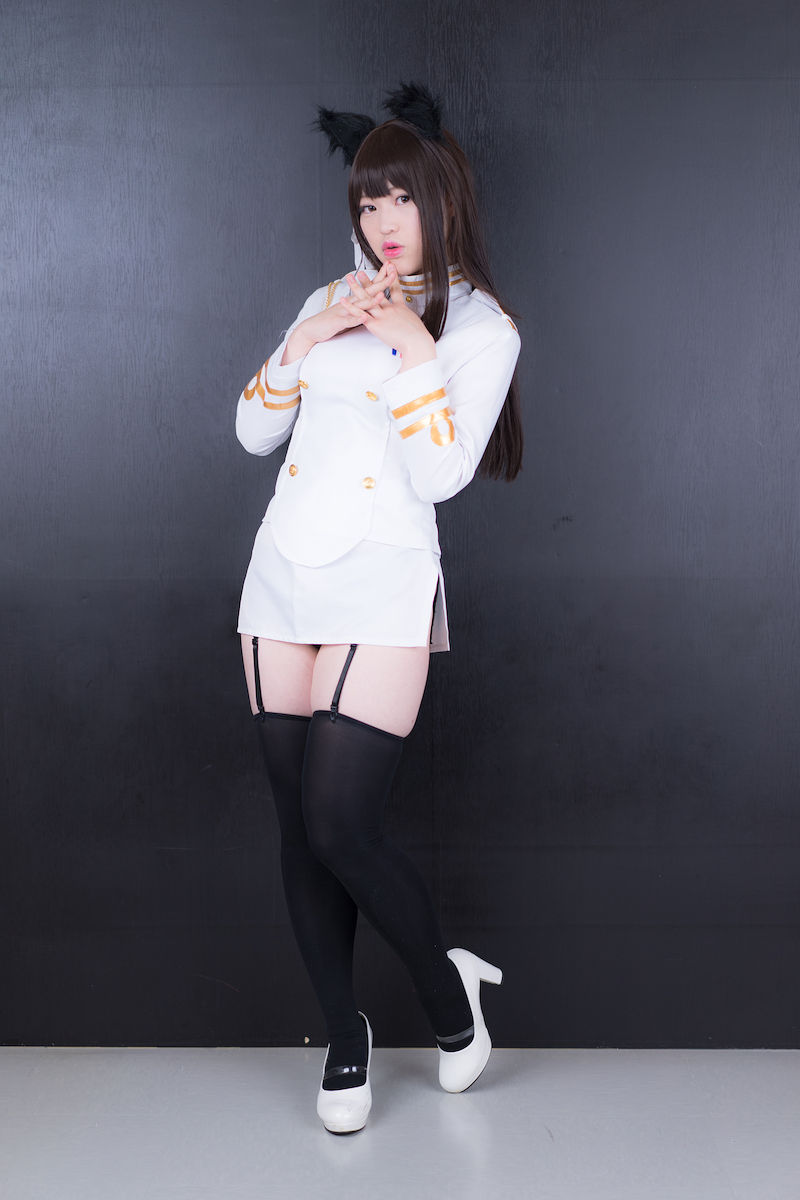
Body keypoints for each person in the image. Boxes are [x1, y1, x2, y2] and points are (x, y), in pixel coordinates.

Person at [235, 83, 522, 1134]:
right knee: (296, 831)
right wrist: (307, 338)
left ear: (442, 198)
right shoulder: (332, 294)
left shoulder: (482, 327)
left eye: (400, 199)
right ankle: (342, 1033)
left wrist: (412, 347)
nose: (383, 221)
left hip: (384, 584)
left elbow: (442, 476)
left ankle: (448, 995)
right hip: (282, 577)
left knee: (340, 824)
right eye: (367, 202)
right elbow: (251, 432)